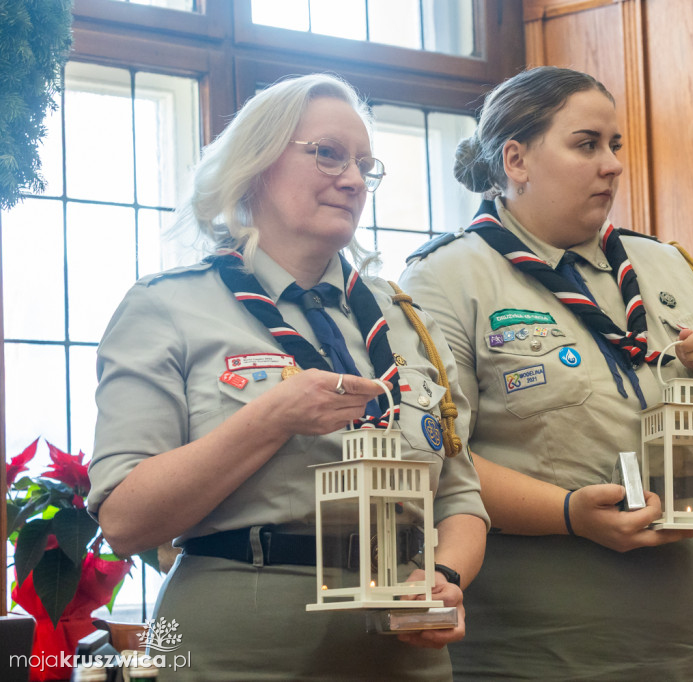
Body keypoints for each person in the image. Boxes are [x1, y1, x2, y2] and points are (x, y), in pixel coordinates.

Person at [87, 73, 488, 681]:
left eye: (364, 165)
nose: (352, 180)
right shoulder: (165, 307)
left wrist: (447, 577)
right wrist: (270, 419)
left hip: (400, 647)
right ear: (256, 162)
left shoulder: (408, 320)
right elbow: (123, 522)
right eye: (328, 154)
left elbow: (458, 495)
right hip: (237, 646)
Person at [399, 66, 693, 681]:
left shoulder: (665, 265)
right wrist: (570, 512)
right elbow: (442, 460)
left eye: (615, 145)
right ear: (516, 159)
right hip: (539, 655)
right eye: (587, 145)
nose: (612, 164)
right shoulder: (445, 278)